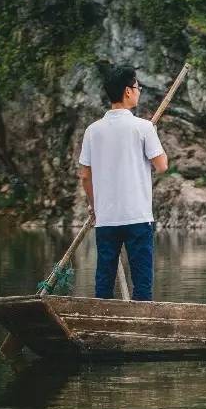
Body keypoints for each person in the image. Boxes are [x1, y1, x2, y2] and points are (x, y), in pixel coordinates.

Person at [78, 65, 168, 300]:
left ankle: (101, 318)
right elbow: (162, 165)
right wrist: (152, 137)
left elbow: (85, 176)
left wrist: (94, 205)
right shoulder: (144, 128)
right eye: (138, 87)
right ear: (128, 91)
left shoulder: (92, 131)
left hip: (106, 218)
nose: (139, 91)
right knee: (142, 286)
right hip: (137, 216)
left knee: (104, 282)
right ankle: (140, 321)